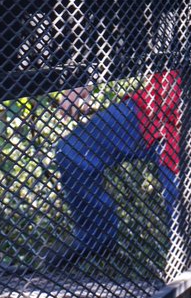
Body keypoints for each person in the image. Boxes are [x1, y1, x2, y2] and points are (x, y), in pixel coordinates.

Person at [46, 71, 182, 269]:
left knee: (186, 227)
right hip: (153, 106)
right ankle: (96, 237)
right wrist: (83, 82)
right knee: (72, 150)